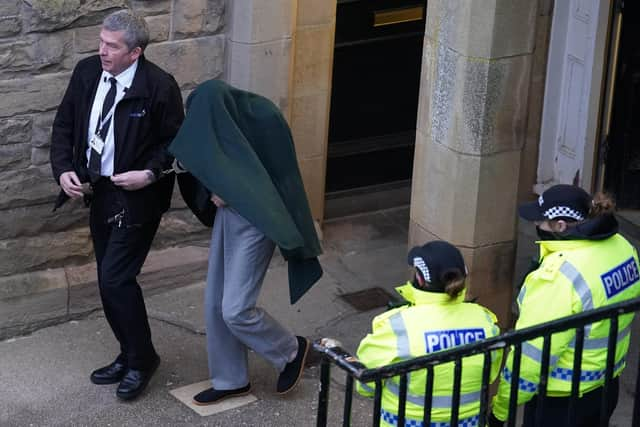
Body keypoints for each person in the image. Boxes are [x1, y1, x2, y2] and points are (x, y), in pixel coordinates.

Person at [49, 9, 184, 400]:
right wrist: (63, 171)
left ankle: (142, 360)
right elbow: (64, 125)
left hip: (137, 197)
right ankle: (128, 354)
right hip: (99, 191)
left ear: (135, 52)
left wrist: (150, 174)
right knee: (109, 281)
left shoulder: (159, 87)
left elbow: (174, 144)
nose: (102, 51)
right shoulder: (87, 72)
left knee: (115, 279)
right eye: (101, 42)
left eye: (112, 46)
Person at [168, 80, 323, 405]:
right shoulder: (231, 122)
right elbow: (209, 160)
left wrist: (235, 188)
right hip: (231, 216)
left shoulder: (264, 118)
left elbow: (276, 174)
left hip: (259, 219)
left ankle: (291, 351)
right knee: (215, 304)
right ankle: (231, 380)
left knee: (236, 309)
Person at [490, 185, 640, 426]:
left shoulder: (559, 277)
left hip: (561, 405)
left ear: (560, 226)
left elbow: (529, 359)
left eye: (540, 222)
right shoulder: (623, 247)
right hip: (606, 388)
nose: (536, 227)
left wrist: (501, 410)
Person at [356, 240, 502, 427]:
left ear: (421, 279)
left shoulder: (397, 325)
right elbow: (490, 373)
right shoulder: (485, 321)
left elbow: (366, 382)